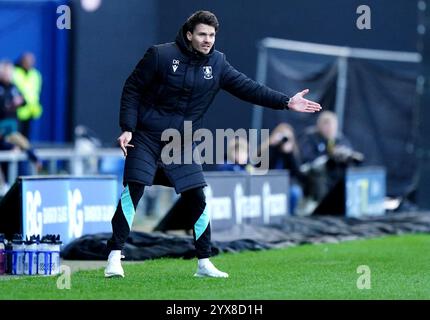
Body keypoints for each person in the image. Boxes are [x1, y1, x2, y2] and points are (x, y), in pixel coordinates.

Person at [105, 10, 322, 278]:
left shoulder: (218, 64)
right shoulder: (160, 55)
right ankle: (114, 257)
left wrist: (286, 101)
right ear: (189, 35)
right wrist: (127, 128)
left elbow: (249, 88)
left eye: (212, 35)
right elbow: (132, 88)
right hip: (147, 136)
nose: (208, 40)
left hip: (181, 142)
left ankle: (204, 262)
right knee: (134, 188)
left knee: (197, 196)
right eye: (202, 34)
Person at [299, 111, 363, 201]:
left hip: (336, 175)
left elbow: (349, 154)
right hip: (315, 176)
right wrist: (329, 156)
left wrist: (343, 155)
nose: (330, 128)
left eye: (332, 125)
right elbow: (308, 160)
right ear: (319, 125)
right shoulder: (310, 138)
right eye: (326, 124)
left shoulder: (340, 139)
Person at [264, 123, 304, 215]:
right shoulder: (270, 148)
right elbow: (262, 165)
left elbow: (298, 173)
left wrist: (289, 154)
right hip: (269, 181)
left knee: (295, 192)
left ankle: (291, 216)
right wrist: (271, 146)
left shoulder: (293, 153)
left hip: (287, 183)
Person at [13, 52, 43, 138]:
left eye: (32, 61)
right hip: (18, 110)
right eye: (28, 61)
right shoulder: (15, 73)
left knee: (27, 135)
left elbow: (36, 91)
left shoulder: (36, 74)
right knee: (17, 135)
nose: (30, 63)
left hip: (31, 110)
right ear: (22, 61)